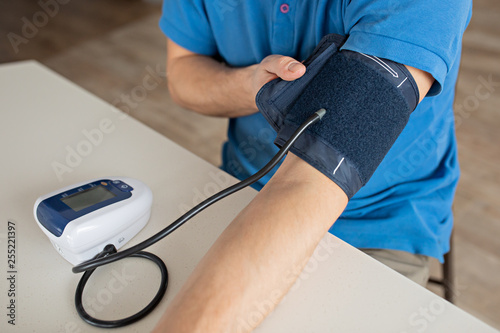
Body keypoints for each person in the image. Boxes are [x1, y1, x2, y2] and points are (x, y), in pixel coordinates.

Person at [154, 0, 472, 331]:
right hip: (241, 186)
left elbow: (316, 172)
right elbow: (182, 69)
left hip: (377, 220)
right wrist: (253, 87)